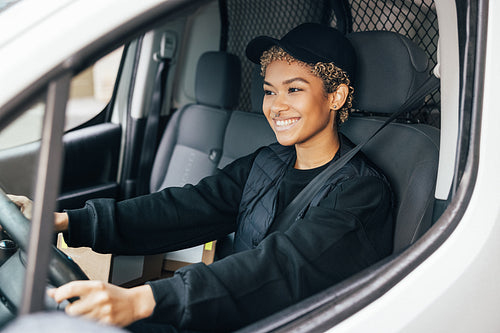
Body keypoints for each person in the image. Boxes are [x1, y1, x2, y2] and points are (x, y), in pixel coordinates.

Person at [9, 23, 394, 332]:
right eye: (268, 90)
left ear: (336, 96)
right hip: (225, 310)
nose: (276, 106)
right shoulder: (268, 162)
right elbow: (185, 208)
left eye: (294, 89)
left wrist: (143, 300)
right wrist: (65, 221)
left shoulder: (362, 192)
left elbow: (279, 266)